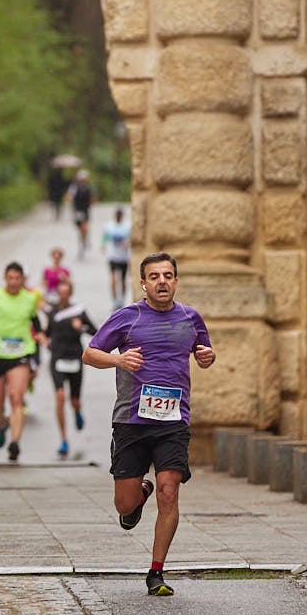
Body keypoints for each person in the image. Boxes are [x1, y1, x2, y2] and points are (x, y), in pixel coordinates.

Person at [82, 252, 215, 597]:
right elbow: (90, 353)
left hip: (174, 420)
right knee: (125, 506)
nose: (162, 282)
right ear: (143, 283)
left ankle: (156, 571)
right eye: (154, 276)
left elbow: (204, 353)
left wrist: (206, 357)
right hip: (131, 420)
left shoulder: (190, 318)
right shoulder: (127, 317)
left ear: (176, 280)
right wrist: (118, 359)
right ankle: (140, 494)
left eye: (168, 275)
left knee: (170, 490)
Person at [0, 261, 46, 462]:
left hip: (21, 354)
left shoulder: (30, 299)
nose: (14, 282)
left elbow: (35, 320)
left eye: (17, 279)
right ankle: (1, 422)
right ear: (5, 278)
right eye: (10, 278)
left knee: (16, 397)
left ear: (22, 280)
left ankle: (15, 442)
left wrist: (40, 335)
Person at [46, 280, 96, 458]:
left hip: (75, 358)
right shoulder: (52, 312)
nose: (64, 295)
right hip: (57, 358)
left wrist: (80, 327)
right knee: (60, 397)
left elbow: (95, 331)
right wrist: (43, 340)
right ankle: (64, 439)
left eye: (66, 292)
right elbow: (47, 333)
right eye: (61, 292)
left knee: (74, 400)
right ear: (58, 293)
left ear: (71, 293)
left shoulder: (78, 311)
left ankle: (76, 410)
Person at [101, 207, 131, 309]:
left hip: (123, 257)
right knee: (113, 279)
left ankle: (121, 299)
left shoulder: (127, 226)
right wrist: (103, 244)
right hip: (113, 256)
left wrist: (127, 243)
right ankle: (114, 300)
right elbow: (105, 236)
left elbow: (131, 238)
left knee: (122, 280)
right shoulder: (109, 225)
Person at [67, 170, 95, 259]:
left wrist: (90, 203)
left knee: (85, 227)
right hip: (77, 211)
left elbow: (93, 199)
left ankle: (84, 240)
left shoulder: (89, 188)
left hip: (85, 211)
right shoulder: (74, 187)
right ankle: (82, 242)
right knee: (80, 230)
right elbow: (69, 197)